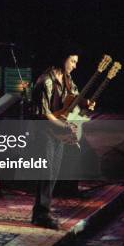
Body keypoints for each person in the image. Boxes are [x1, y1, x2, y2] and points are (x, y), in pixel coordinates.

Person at [30, 51, 95, 229]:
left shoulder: (67, 78)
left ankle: (42, 211)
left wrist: (86, 103)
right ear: (63, 58)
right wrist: (62, 125)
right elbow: (44, 113)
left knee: (53, 171)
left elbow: (75, 96)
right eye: (72, 61)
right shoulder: (46, 81)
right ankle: (41, 213)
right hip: (44, 131)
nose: (75, 65)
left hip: (57, 130)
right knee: (47, 172)